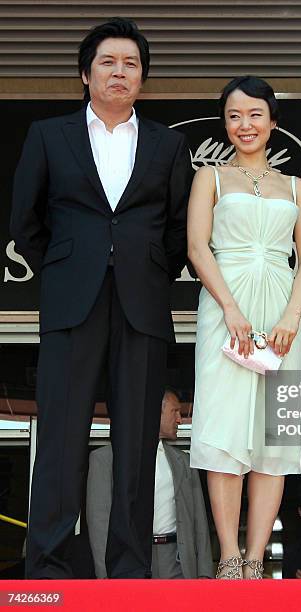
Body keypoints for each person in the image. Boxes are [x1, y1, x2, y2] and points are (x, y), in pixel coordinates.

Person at [10, 18, 192, 578]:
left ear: (143, 78)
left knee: (137, 445)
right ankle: (47, 566)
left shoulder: (169, 143)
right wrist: (67, 270)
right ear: (86, 74)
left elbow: (179, 230)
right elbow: (26, 219)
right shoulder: (48, 133)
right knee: (61, 440)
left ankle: (130, 567)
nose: (120, 72)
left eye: (131, 64)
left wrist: (145, 272)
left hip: (141, 306)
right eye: (109, 62)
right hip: (72, 304)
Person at [187, 76, 301, 579]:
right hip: (226, 311)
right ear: (226, 123)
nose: (245, 124)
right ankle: (229, 556)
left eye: (255, 114)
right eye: (235, 116)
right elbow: (198, 248)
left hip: (282, 316)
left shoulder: (297, 187)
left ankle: (258, 557)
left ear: (273, 122)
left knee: (274, 437)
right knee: (223, 430)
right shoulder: (210, 178)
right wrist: (231, 309)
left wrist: (291, 316)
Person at [86, 388, 213, 579]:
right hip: (130, 559)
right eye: (174, 411)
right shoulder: (105, 459)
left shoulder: (184, 463)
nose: (180, 419)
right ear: (155, 411)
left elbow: (199, 522)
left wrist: (205, 574)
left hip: (178, 561)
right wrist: (105, 578)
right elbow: (99, 523)